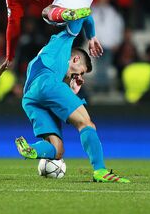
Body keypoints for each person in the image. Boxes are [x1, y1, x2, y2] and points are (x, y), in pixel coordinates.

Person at [14, 16, 129, 183]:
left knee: (57, 150)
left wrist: (72, 84)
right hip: (48, 84)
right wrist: (92, 37)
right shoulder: (66, 37)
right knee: (86, 124)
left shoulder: (52, 57)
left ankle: (31, 149)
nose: (80, 76)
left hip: (30, 97)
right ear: (75, 60)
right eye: (81, 72)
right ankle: (100, 171)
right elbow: (85, 15)